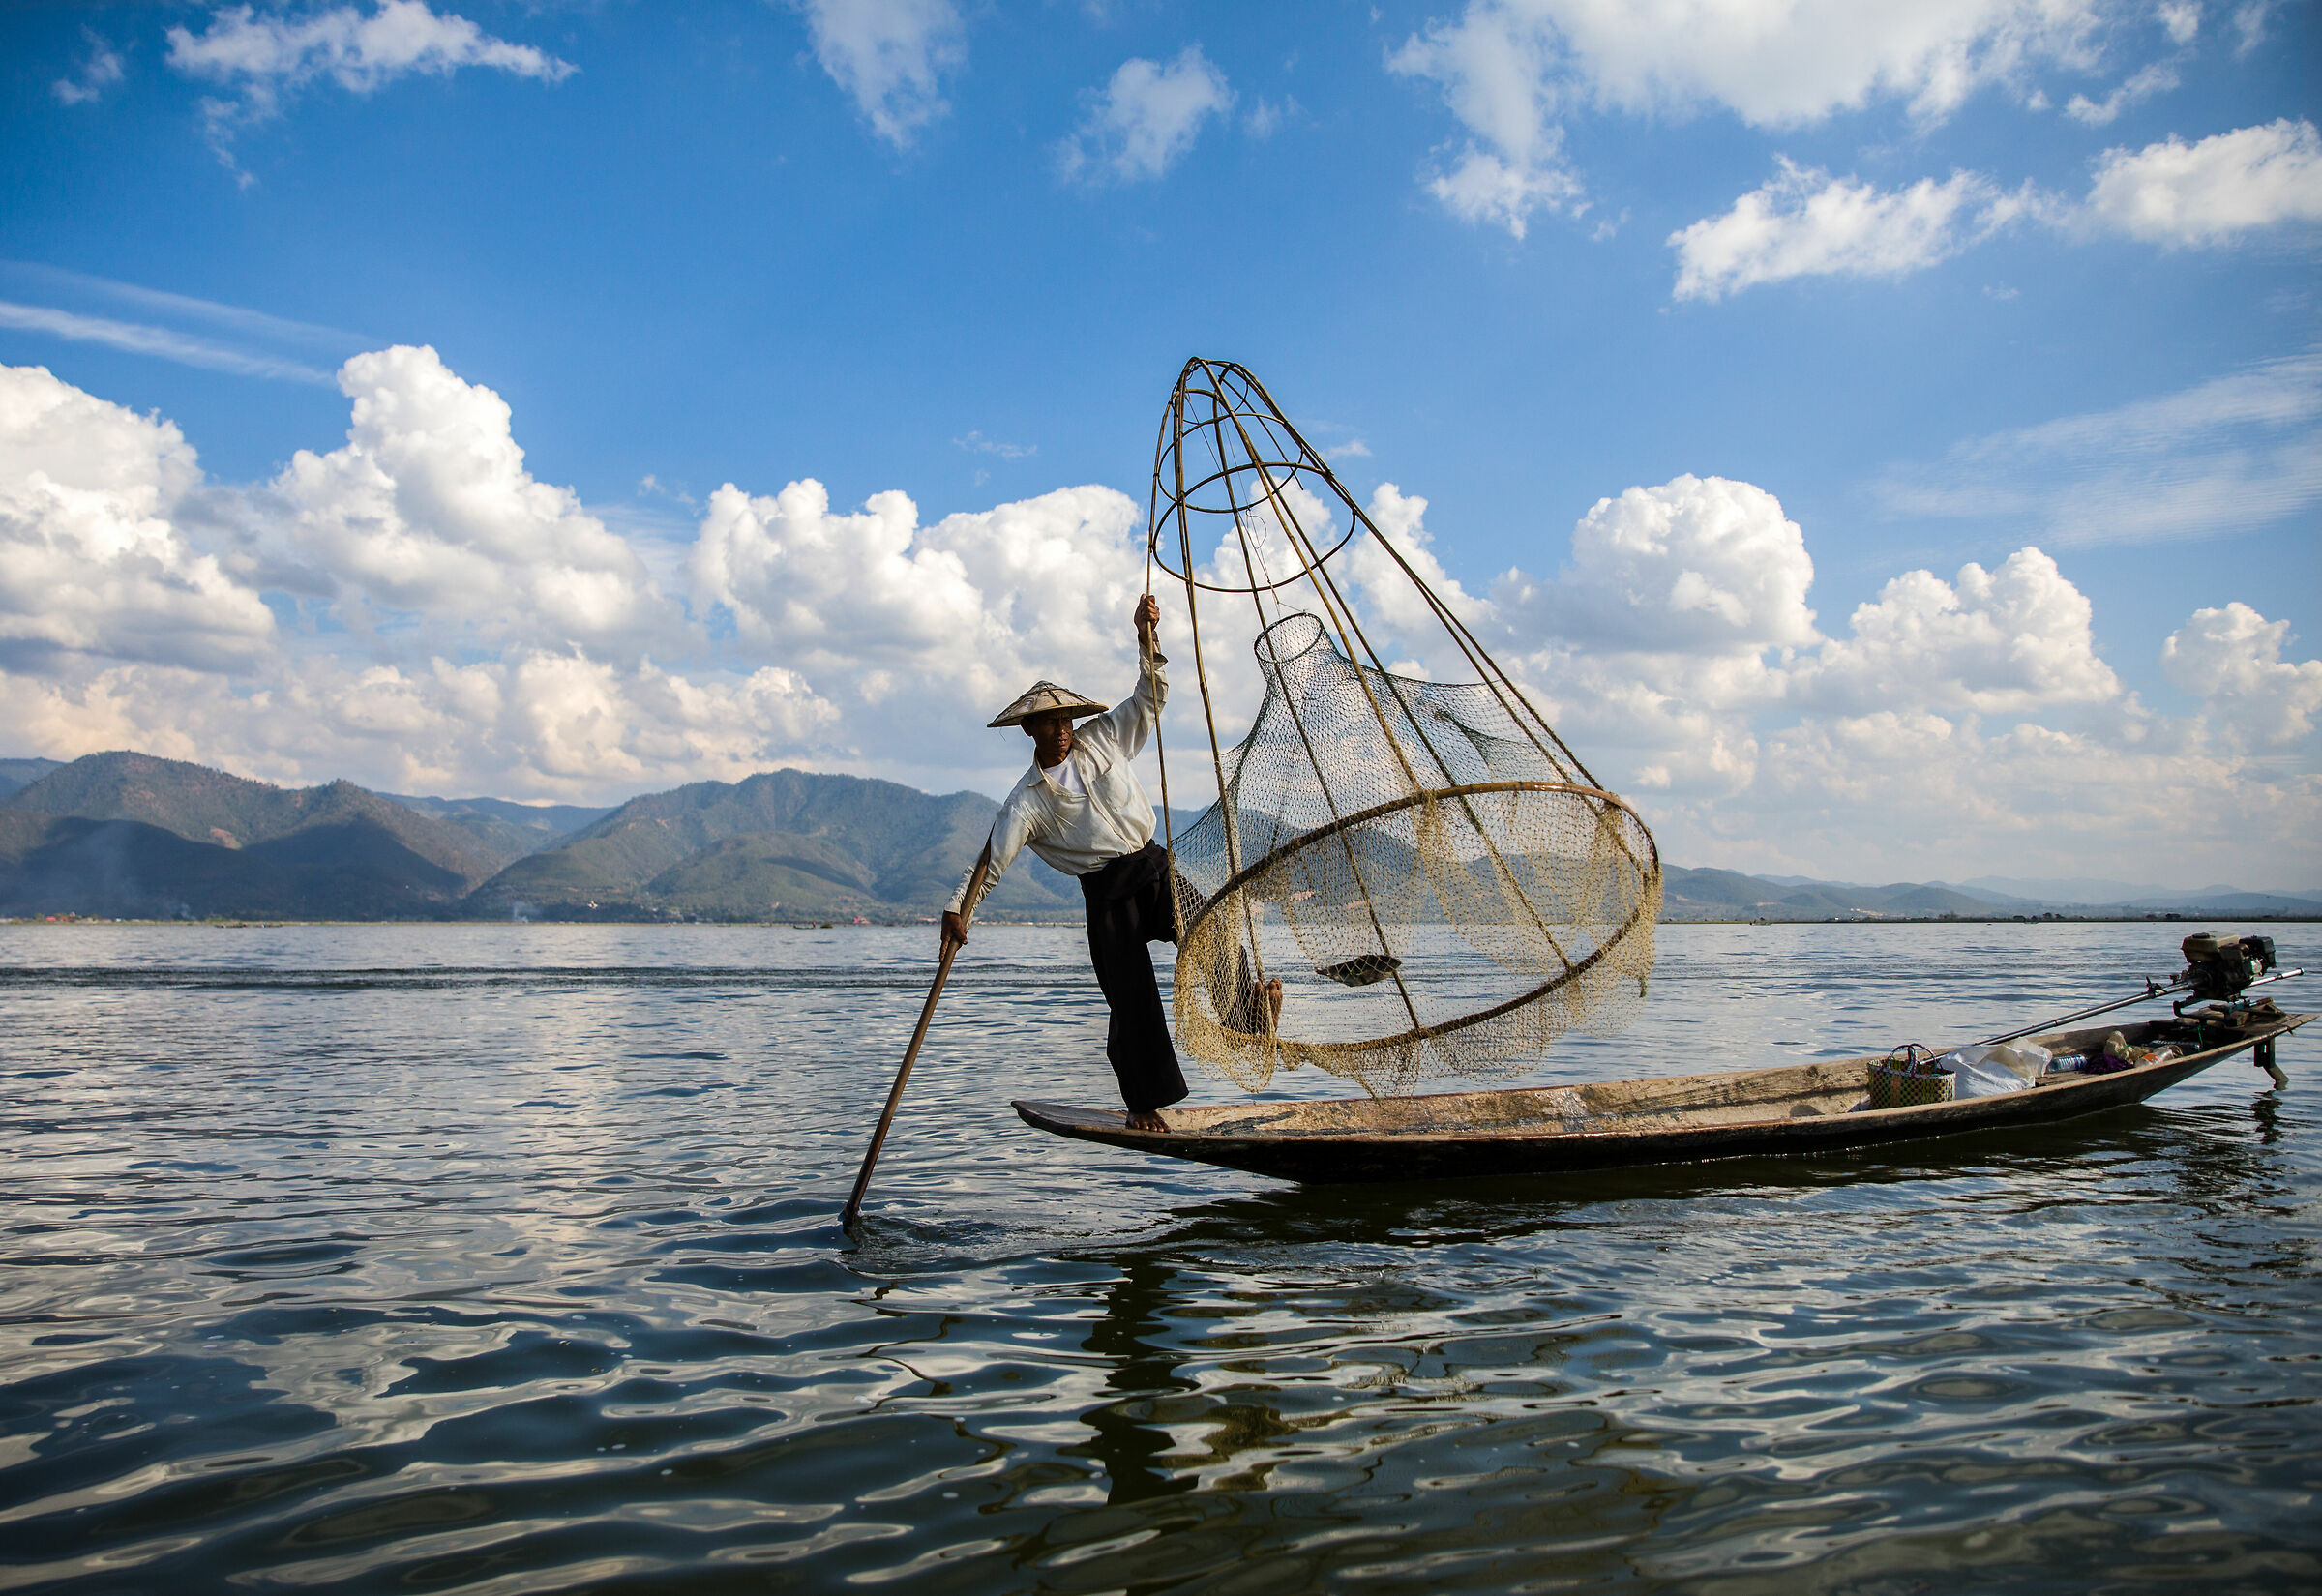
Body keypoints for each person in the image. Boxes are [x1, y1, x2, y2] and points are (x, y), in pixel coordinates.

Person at [941, 594, 1279, 1130]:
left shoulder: (1103, 738)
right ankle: (1143, 1105)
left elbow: (1150, 697)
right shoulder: (1026, 802)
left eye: (1065, 720)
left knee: (1212, 930)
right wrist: (960, 912)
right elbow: (991, 862)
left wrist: (1146, 639)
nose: (1061, 730)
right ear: (1031, 731)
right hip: (1106, 895)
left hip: (1152, 868)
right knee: (1131, 998)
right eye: (1049, 723)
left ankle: (1247, 1014)